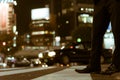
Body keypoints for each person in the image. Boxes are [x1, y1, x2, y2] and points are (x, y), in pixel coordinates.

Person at [75, 0, 120, 75]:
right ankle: (94, 65)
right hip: (100, 2)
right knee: (96, 33)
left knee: (118, 31)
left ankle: (117, 64)